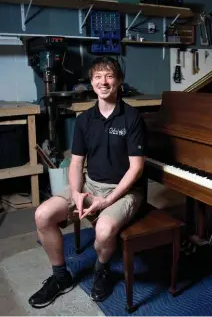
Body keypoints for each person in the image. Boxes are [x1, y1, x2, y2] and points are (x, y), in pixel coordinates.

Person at [29, 56, 147, 308]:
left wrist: (108, 200)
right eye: (98, 77)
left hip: (123, 191)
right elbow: (75, 163)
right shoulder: (84, 120)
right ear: (92, 83)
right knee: (43, 214)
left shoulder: (133, 118)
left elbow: (136, 168)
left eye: (109, 76)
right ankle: (61, 277)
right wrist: (76, 192)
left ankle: (102, 270)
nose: (103, 82)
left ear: (119, 82)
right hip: (90, 184)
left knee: (103, 231)